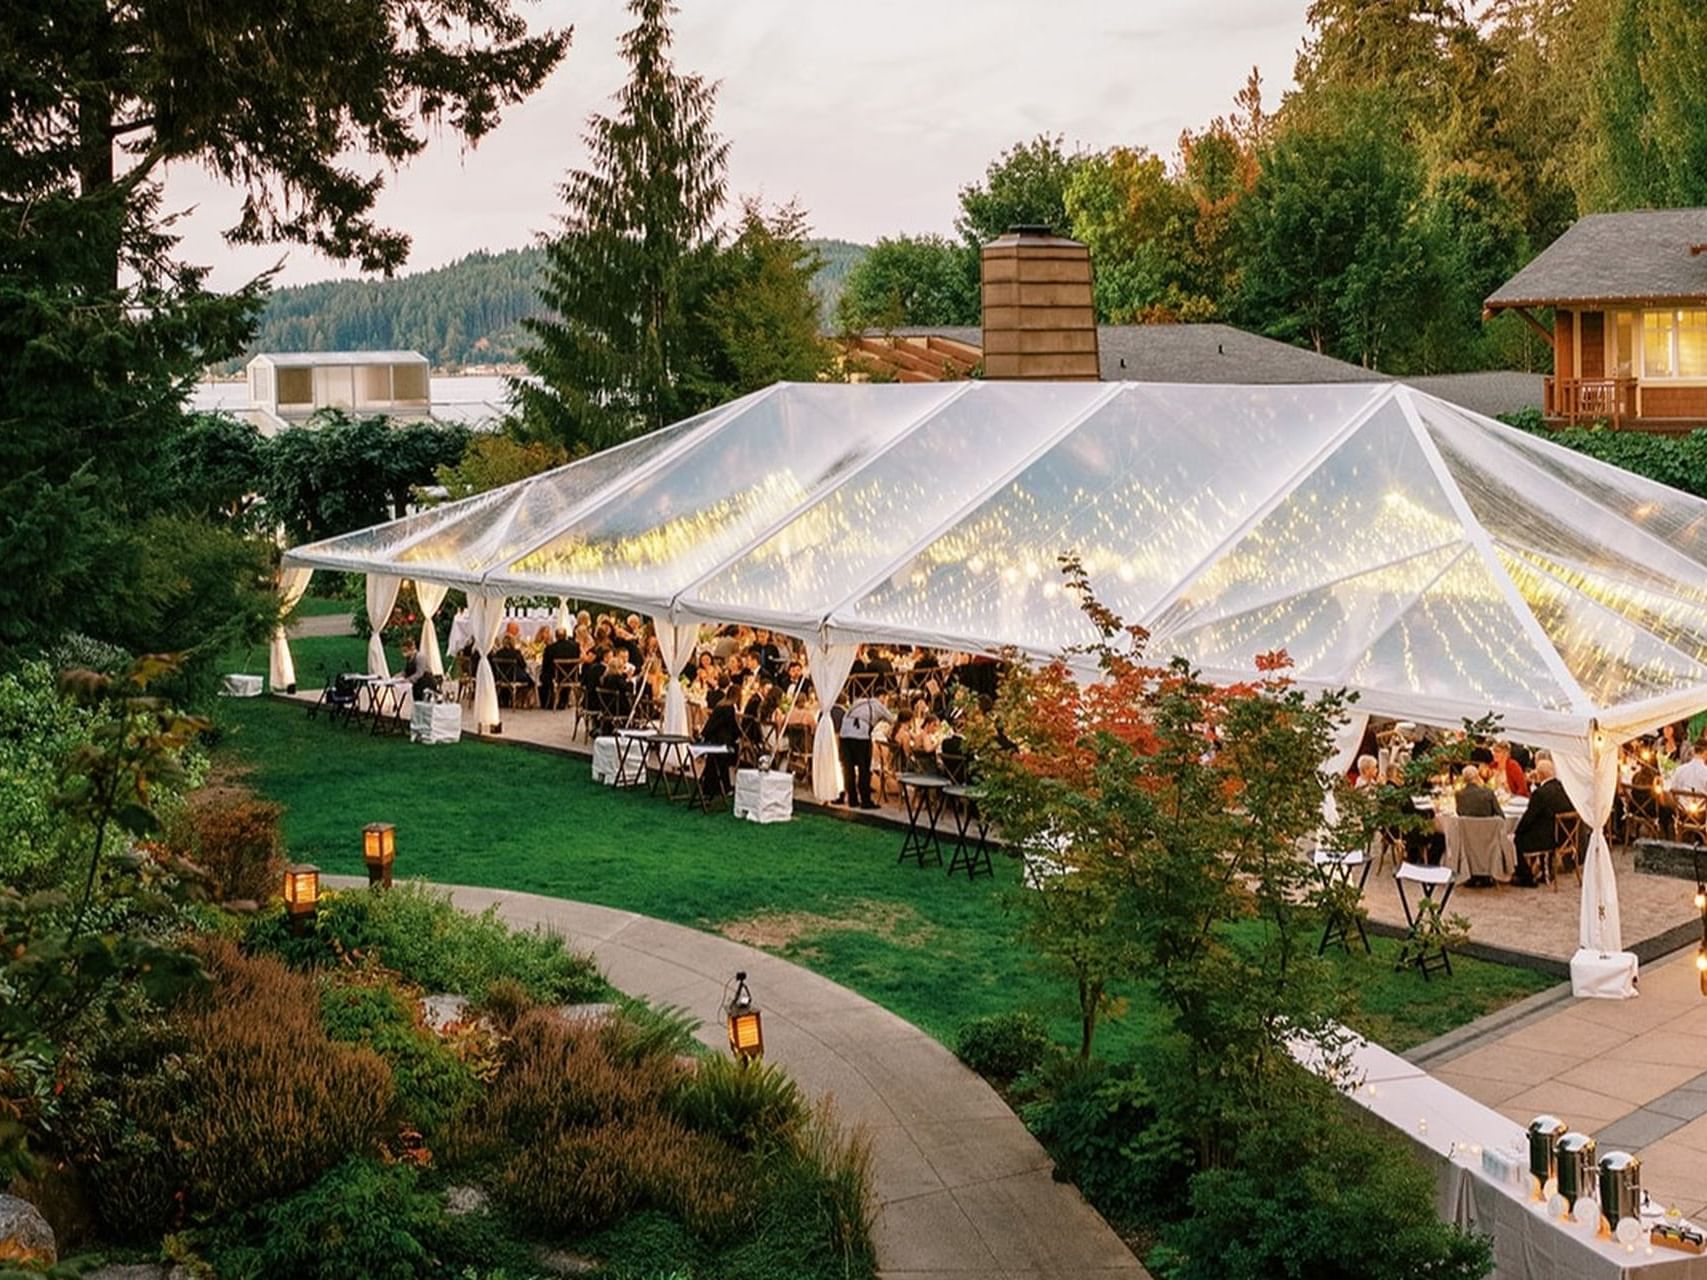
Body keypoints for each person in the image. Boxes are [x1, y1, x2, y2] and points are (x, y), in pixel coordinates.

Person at [1513, 756, 1573, 887]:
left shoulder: (1540, 794)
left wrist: (1516, 830)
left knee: (1517, 838)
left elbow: (1528, 818)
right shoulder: (1564, 788)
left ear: (1540, 775)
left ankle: (1526, 877)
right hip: (1567, 835)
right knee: (1536, 827)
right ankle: (1544, 870)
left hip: (1549, 838)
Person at [840, 684, 893, 809]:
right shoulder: (878, 705)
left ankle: (852, 799)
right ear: (882, 697)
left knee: (848, 768)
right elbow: (892, 719)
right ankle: (865, 800)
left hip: (845, 734)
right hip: (860, 736)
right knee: (864, 769)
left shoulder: (859, 701)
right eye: (886, 699)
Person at [698, 688, 740, 795]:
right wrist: (739, 736)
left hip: (713, 738)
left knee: (713, 763)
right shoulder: (729, 709)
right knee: (724, 763)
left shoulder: (719, 705)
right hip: (722, 740)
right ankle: (725, 787)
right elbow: (732, 726)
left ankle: (709, 786)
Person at [540, 627, 579, 710]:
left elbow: (545, 665)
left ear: (556, 637)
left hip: (556, 677)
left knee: (544, 676)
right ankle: (563, 701)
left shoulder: (550, 648)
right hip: (572, 676)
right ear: (565, 636)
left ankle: (548, 702)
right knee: (564, 674)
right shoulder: (575, 647)